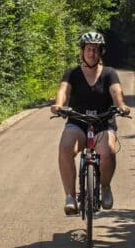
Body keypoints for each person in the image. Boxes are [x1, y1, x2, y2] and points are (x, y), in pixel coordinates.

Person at [51, 31, 130, 215]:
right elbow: (63, 90)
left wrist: (121, 106)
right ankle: (70, 196)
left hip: (103, 121)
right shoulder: (72, 73)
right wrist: (59, 105)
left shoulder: (109, 73)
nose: (91, 53)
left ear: (100, 52)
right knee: (65, 147)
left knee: (108, 151)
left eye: (95, 50)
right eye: (88, 49)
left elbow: (116, 92)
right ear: (82, 52)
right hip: (78, 122)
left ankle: (105, 187)